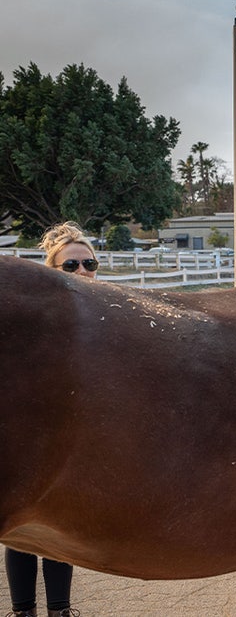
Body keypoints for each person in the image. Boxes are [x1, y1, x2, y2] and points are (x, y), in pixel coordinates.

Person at [4, 222, 94, 617]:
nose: (82, 271)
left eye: (88, 263)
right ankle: (24, 611)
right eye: (70, 265)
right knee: (22, 529)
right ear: (51, 270)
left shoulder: (113, 311)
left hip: (77, 430)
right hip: (33, 426)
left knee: (60, 526)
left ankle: (60, 610)